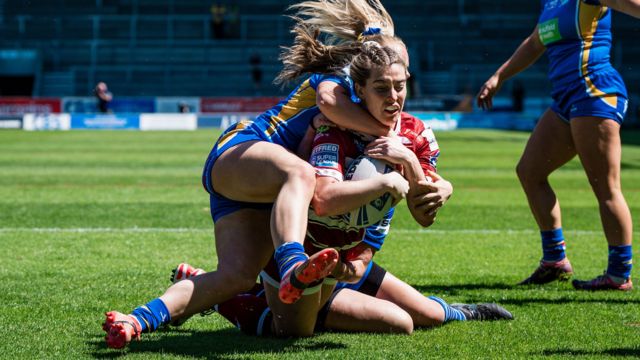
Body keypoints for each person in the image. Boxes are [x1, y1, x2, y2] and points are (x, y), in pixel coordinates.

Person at [101, 0, 430, 349]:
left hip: (262, 188)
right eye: (394, 67)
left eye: (403, 76)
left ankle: (137, 320)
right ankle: (291, 264)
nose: (398, 83)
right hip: (242, 151)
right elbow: (328, 104)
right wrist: (394, 140)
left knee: (237, 277)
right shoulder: (339, 83)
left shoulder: (368, 105)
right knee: (301, 175)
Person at [170, 36, 511, 337]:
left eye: (401, 82)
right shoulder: (332, 125)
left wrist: (416, 168)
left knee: (415, 320)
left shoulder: (414, 135)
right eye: (382, 86)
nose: (394, 96)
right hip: (307, 249)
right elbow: (323, 199)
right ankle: (226, 299)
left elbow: (423, 215)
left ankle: (458, 310)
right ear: (360, 86)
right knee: (291, 332)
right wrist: (388, 177)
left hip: (342, 253)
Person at [476, 0, 640, 291]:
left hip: (594, 91)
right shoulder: (551, 3)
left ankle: (619, 274)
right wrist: (499, 76)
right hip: (567, 99)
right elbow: (534, 43)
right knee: (529, 171)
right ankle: (554, 260)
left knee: (605, 186)